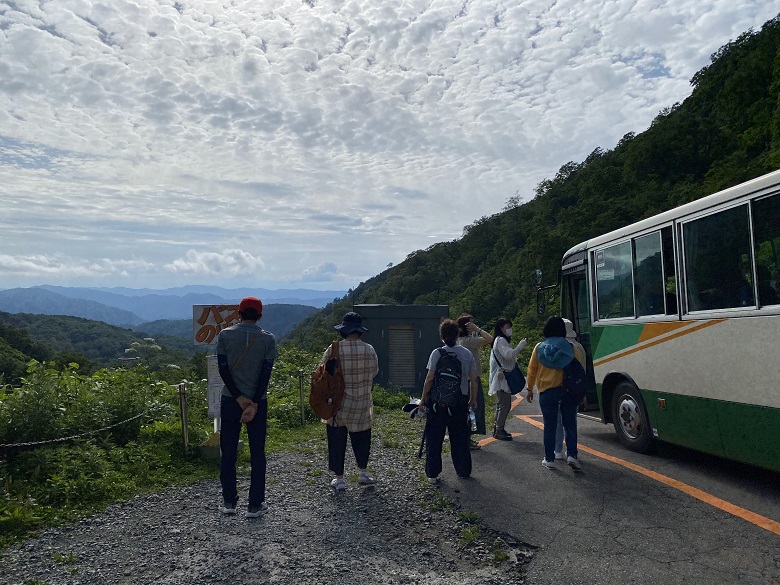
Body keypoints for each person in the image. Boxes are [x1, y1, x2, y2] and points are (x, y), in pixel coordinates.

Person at [216, 296, 277, 517]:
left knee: (228, 451)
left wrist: (239, 398)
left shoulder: (224, 335)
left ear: (239, 314)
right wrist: (252, 402)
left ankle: (229, 502)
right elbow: (266, 373)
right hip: (257, 402)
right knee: (257, 452)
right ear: (259, 316)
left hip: (230, 400)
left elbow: (223, 369)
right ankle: (255, 505)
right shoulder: (267, 340)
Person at [321, 312, 379, 491]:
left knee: (337, 439)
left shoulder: (334, 349)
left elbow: (323, 372)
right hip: (362, 402)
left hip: (338, 404)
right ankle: (363, 473)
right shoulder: (369, 349)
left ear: (344, 331)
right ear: (360, 331)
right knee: (362, 437)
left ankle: (339, 479)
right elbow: (375, 372)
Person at [419, 319, 478, 483]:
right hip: (459, 402)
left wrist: (423, 400)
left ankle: (432, 473)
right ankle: (463, 471)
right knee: (460, 438)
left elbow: (429, 379)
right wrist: (473, 399)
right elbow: (474, 379)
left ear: (442, 336)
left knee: (434, 438)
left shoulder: (437, 353)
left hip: (438, 404)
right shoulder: (466, 354)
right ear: (458, 334)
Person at [526, 316, 586, 471]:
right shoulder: (570, 347)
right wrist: (582, 391)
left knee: (550, 426)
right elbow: (578, 370)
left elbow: (532, 370)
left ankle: (550, 459)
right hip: (567, 390)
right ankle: (572, 455)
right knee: (570, 424)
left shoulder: (539, 347)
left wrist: (529, 389)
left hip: (547, 391)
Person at [456, 313, 493, 449]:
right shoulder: (469, 341)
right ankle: (467, 438)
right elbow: (490, 338)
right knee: (474, 407)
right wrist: (477, 329)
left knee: (466, 408)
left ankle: (465, 438)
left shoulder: (459, 341)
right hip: (472, 379)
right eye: (471, 324)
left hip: (463, 379)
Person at [488, 318, 527, 441]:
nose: (509, 329)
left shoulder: (499, 340)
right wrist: (520, 346)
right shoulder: (500, 341)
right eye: (507, 326)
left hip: (501, 377)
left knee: (502, 404)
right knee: (505, 405)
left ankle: (498, 428)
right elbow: (509, 355)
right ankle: (499, 430)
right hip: (503, 378)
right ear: (501, 328)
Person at [553, 319, 588, 460]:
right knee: (571, 423)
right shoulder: (579, 347)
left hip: (557, 388)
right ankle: (571, 452)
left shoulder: (555, 346)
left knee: (557, 422)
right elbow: (582, 371)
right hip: (574, 390)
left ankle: (557, 451)